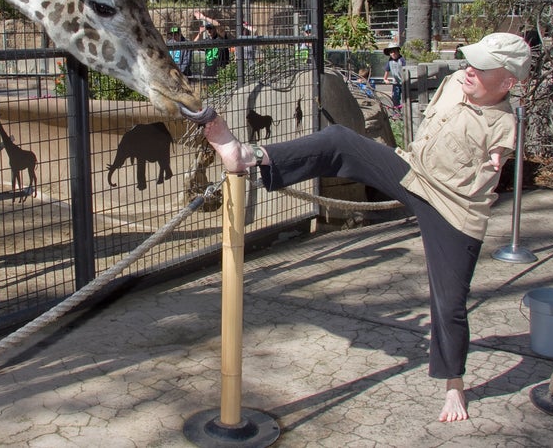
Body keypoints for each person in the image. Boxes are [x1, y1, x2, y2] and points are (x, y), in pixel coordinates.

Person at [201, 31, 531, 423]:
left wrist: (496, 158)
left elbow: (497, 155)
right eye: (472, 60)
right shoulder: (456, 82)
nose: (471, 70)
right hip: (412, 174)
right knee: (341, 140)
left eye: (484, 67)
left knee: (449, 304)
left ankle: (454, 385)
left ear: (508, 82)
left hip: (454, 211)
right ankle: (247, 155)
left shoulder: (504, 124)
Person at [193, 12, 231, 79]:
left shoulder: (221, 39)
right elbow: (193, 46)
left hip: (220, 74)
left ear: (215, 29)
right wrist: (200, 33)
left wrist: (203, 18)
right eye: (207, 29)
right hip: (207, 74)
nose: (209, 30)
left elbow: (218, 25)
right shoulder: (206, 41)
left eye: (211, 28)